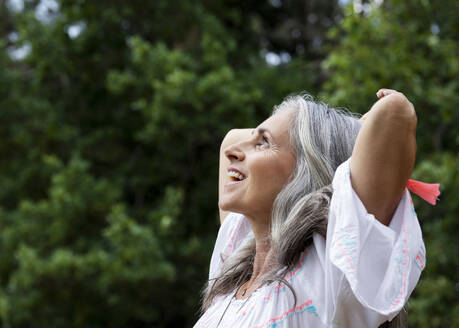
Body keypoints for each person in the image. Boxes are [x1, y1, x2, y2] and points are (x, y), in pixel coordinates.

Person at [194, 89, 429, 328]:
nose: (232, 152)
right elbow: (233, 138)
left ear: (305, 173)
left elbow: (394, 112)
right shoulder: (235, 264)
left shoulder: (329, 272)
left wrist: (336, 139)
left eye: (263, 143)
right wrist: (332, 134)